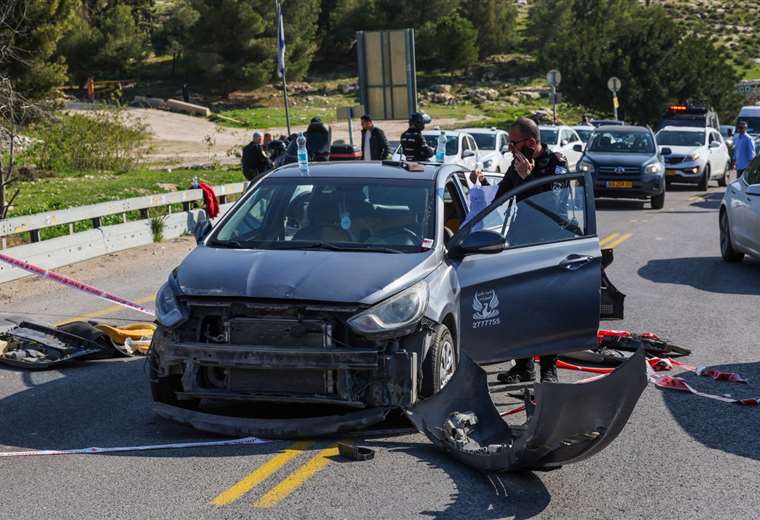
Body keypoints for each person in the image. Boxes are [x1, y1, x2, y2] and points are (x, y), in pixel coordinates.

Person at [471, 117, 569, 384]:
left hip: (548, 244)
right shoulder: (516, 165)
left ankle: (548, 369)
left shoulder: (556, 162)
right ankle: (524, 366)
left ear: (531, 143)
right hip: (520, 243)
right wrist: (479, 185)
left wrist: (530, 177)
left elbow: (556, 202)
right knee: (519, 305)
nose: (509, 148)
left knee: (547, 308)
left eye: (513, 143)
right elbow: (500, 197)